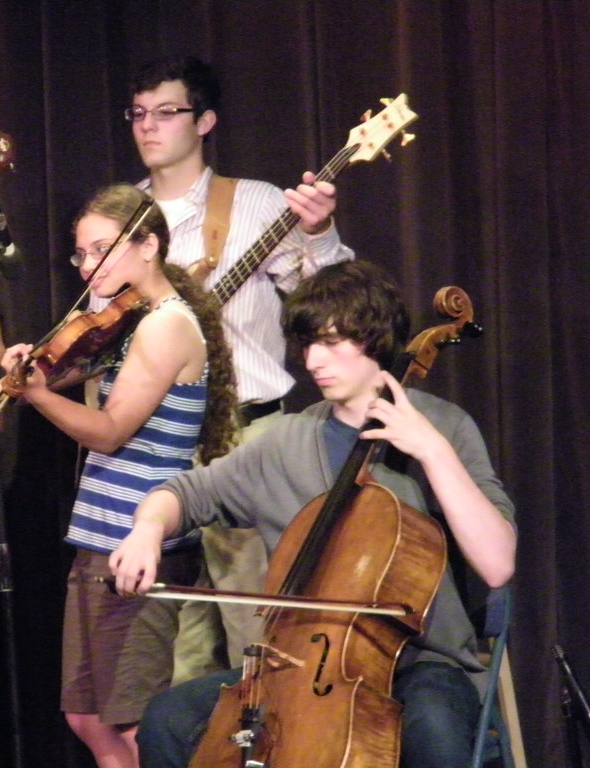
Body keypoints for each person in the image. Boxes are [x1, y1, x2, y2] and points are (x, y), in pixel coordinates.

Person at [109, 260, 517, 768]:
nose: (313, 359)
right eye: (307, 344)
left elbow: (498, 562)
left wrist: (432, 454)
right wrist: (147, 529)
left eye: (331, 342)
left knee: (436, 734)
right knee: (169, 719)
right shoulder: (284, 442)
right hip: (297, 666)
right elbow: (185, 494)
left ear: (376, 339)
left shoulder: (444, 427)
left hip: (422, 664)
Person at [0, 183, 236, 768]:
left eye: (101, 250)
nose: (88, 267)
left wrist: (33, 394)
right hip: (98, 540)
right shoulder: (126, 322)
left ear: (149, 247)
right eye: (81, 254)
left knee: (134, 721)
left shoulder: (166, 324)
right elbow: (58, 371)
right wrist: (16, 376)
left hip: (137, 544)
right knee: (86, 715)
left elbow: (111, 430)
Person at [119, 54, 356, 671]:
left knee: (255, 631)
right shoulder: (122, 219)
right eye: (139, 113)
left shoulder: (253, 204)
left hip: (246, 434)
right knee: (174, 649)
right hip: (156, 445)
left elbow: (330, 304)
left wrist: (320, 233)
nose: (148, 126)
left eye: (166, 112)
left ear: (205, 121)